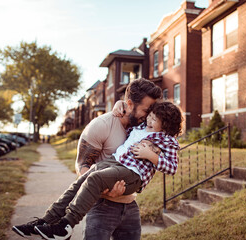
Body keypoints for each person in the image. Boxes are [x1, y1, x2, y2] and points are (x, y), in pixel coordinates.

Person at [12, 78, 162, 240]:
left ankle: (54, 224)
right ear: (130, 104)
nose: (148, 116)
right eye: (146, 110)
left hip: (130, 206)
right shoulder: (101, 125)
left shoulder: (143, 126)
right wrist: (107, 190)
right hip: (102, 206)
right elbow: (83, 166)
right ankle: (49, 222)